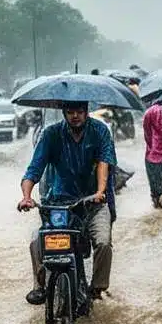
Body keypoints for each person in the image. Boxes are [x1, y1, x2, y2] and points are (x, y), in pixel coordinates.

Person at [19, 101, 116, 305]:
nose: (75, 116)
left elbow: (104, 163)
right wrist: (27, 196)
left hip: (92, 202)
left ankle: (96, 288)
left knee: (104, 242)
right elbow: (34, 170)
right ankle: (40, 285)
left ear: (86, 112)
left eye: (79, 111)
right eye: (70, 112)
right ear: (64, 113)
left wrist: (100, 192)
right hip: (59, 203)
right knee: (37, 240)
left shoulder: (100, 131)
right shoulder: (51, 134)